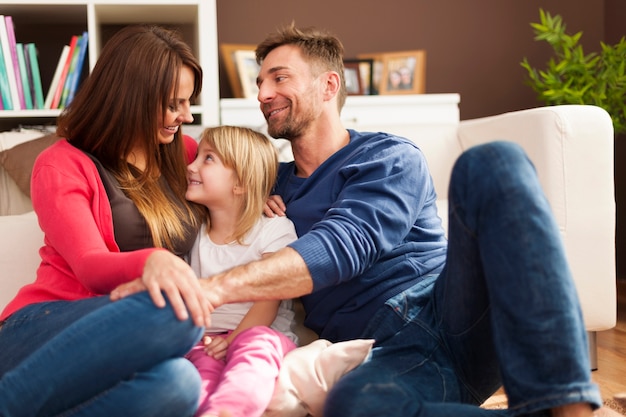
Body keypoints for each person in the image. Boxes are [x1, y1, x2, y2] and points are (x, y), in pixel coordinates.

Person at [112, 23, 606, 417]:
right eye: (259, 81)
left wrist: (211, 289)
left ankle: (570, 405)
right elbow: (183, 170)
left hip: (448, 310)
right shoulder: (266, 186)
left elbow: (344, 244)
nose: (263, 92)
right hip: (386, 353)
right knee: (355, 405)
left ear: (330, 84)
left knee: (491, 162)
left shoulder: (387, 157)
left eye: (279, 77)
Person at [0, 25, 211, 417]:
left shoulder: (182, 152)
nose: (187, 115)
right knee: (174, 309)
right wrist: (153, 261)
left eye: (188, 101)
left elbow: (240, 176)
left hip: (119, 334)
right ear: (132, 99)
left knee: (179, 384)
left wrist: (269, 194)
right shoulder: (61, 165)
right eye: (173, 103)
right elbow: (90, 266)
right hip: (39, 329)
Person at [184, 126, 298, 417]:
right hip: (206, 339)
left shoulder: (274, 229)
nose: (191, 166)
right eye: (197, 156)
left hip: (262, 331)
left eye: (207, 159)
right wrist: (215, 343)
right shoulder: (190, 232)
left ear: (241, 184)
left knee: (254, 356)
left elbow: (268, 301)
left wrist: (232, 340)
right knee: (201, 373)